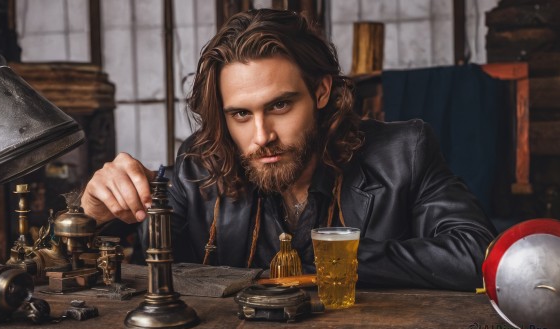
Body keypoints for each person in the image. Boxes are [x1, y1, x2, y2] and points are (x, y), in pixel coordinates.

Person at [81, 8, 496, 291]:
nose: (261, 136)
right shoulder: (198, 168)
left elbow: (476, 252)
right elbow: (137, 256)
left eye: (279, 106)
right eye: (241, 114)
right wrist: (94, 216)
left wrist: (339, 259)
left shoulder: (403, 152)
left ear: (320, 91)